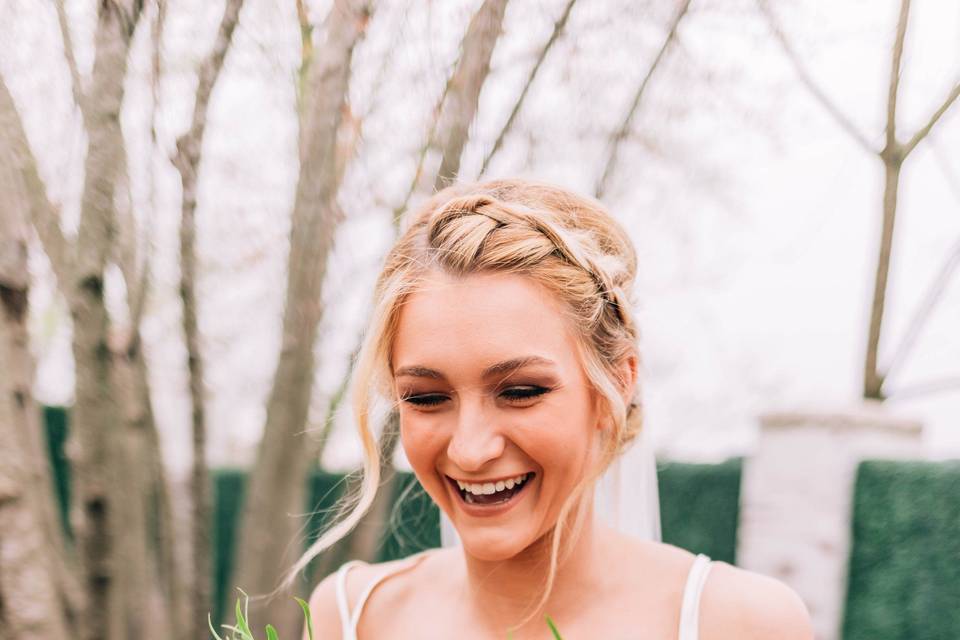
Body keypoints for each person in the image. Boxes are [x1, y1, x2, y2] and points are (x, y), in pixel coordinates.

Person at [293, 179, 814, 639]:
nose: (471, 451)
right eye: (427, 398)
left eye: (520, 391)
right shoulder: (351, 616)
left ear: (617, 381)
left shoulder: (741, 624)